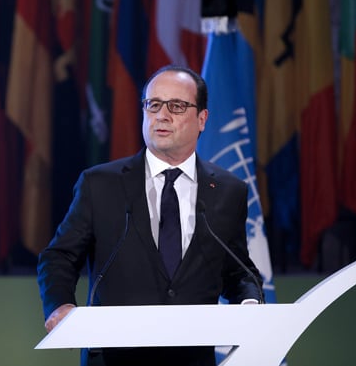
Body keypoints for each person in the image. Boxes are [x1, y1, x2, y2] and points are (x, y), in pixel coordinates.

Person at [37, 64, 263, 366]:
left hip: (191, 358)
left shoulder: (227, 190)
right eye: (153, 104)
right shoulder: (101, 184)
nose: (162, 115)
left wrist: (250, 302)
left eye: (177, 106)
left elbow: (237, 270)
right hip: (114, 357)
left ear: (202, 119)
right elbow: (59, 257)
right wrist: (61, 304)